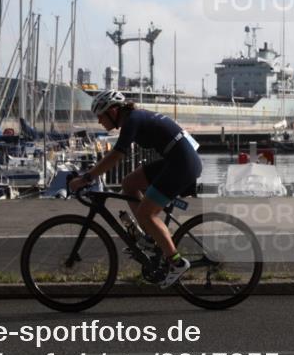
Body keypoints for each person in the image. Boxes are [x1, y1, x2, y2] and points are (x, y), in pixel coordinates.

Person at [68, 90, 201, 288]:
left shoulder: (132, 120)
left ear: (113, 111)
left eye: (100, 117)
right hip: (175, 160)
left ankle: (177, 262)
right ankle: (149, 236)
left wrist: (87, 178)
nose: (99, 122)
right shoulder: (135, 118)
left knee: (147, 214)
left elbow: (116, 156)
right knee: (129, 184)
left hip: (181, 165)